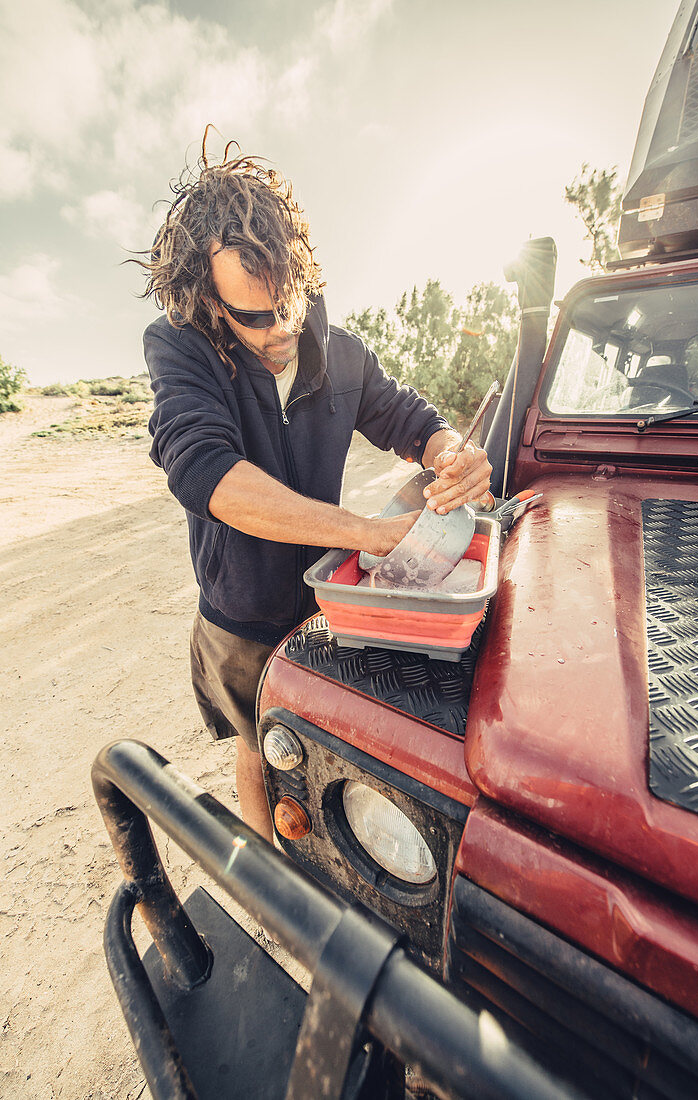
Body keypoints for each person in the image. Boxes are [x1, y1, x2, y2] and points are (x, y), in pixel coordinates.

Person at [140, 145, 493, 839]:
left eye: (289, 306)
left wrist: (454, 453)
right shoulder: (180, 347)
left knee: (330, 747)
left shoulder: (345, 354)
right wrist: (363, 533)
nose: (280, 330)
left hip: (329, 604)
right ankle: (269, 876)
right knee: (256, 745)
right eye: (254, 316)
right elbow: (203, 469)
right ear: (210, 300)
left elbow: (414, 422)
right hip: (240, 614)